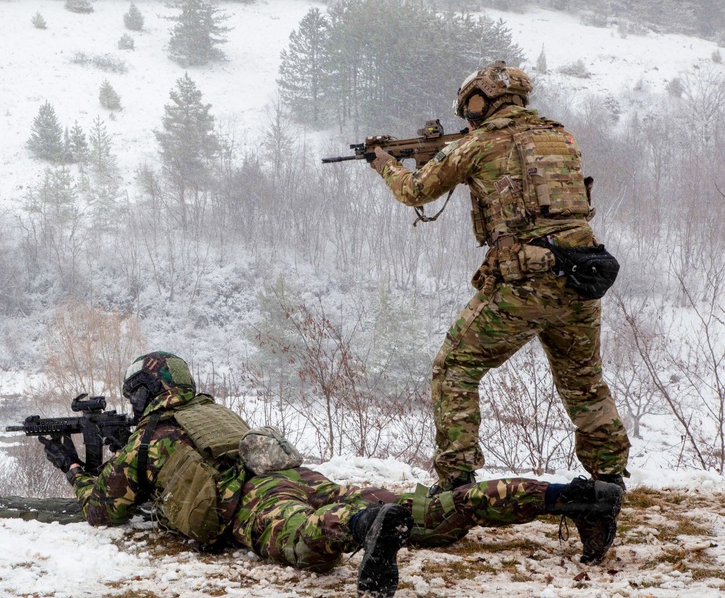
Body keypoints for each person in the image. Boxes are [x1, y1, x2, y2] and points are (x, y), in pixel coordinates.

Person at [40, 351, 624, 598]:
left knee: (305, 542)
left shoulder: (146, 438)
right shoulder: (212, 413)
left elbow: (104, 510)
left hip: (255, 504)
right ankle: (573, 497)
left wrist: (71, 464)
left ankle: (369, 525)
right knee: (437, 512)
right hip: (306, 477)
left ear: (146, 394)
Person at [367, 62, 631, 498]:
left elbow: (415, 191)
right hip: (583, 274)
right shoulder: (561, 137)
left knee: (454, 367)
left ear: (478, 102)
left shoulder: (480, 143)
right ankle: (609, 483)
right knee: (583, 381)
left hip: (527, 281)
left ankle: (455, 484)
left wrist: (383, 164)